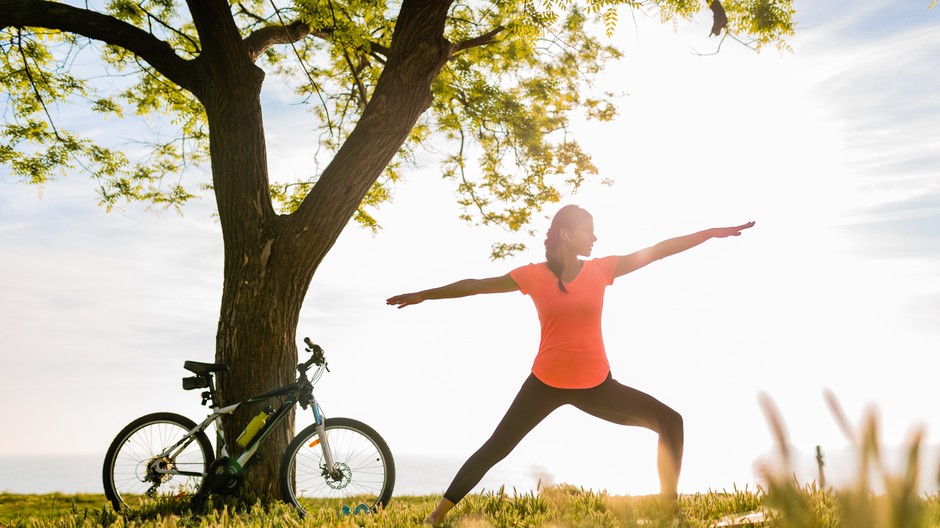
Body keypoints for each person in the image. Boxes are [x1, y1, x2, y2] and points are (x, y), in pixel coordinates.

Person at [386, 205, 754, 525]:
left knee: (671, 422)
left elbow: (657, 251)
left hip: (596, 385)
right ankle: (436, 516)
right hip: (545, 383)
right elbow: (477, 285)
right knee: (497, 446)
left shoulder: (602, 270)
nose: (595, 237)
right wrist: (425, 294)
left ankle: (669, 513)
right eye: (588, 230)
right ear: (566, 233)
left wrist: (709, 233)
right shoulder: (532, 275)